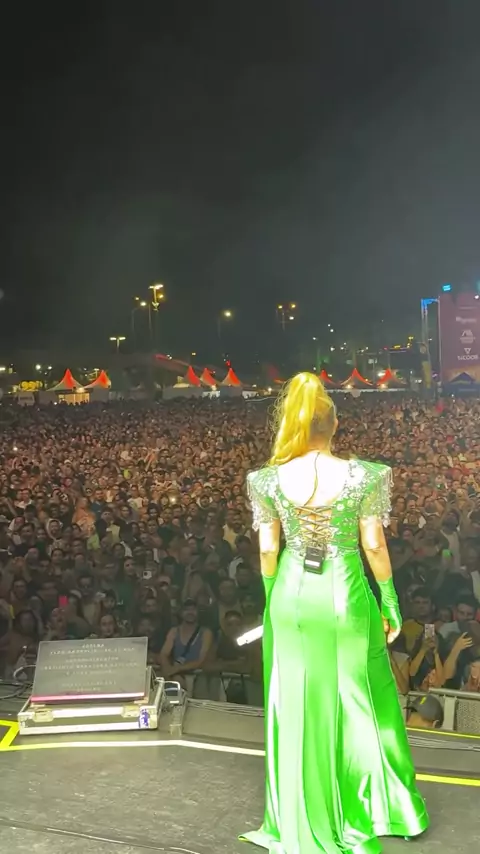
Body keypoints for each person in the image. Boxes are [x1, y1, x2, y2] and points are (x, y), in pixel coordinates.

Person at [240, 373, 428, 854]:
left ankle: (305, 813)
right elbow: (373, 544)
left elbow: (268, 550)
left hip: (290, 595)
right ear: (334, 424)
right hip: (345, 592)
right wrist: (389, 599)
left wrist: (272, 598)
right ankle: (381, 808)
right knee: (360, 694)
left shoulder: (265, 480)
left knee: (298, 699)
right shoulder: (367, 475)